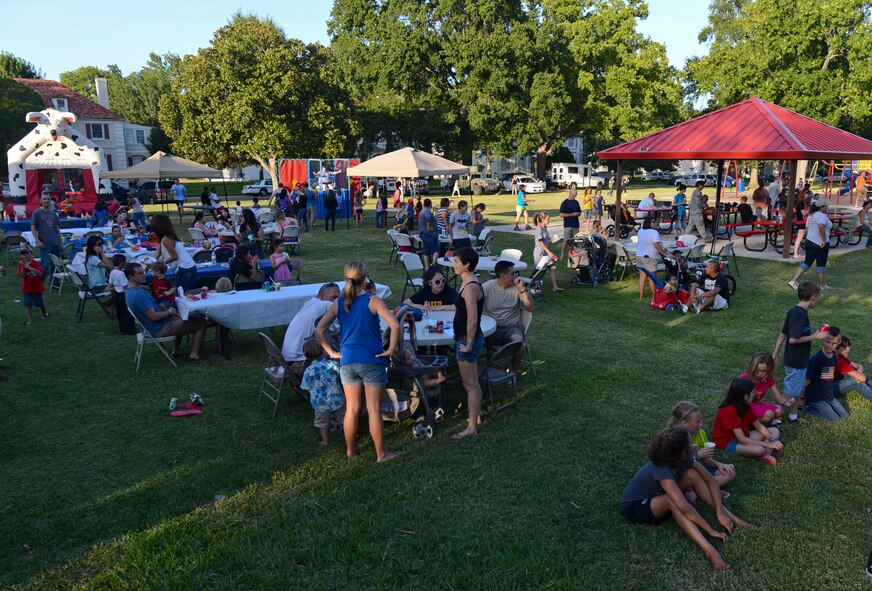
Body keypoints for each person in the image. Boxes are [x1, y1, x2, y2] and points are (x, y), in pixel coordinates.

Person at [620, 426, 749, 573]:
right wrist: (709, 529)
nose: (692, 445)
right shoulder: (661, 468)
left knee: (692, 475)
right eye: (689, 443)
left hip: (657, 497)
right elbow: (683, 506)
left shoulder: (684, 458)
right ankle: (711, 552)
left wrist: (720, 512)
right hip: (636, 507)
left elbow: (710, 481)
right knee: (672, 501)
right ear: (681, 452)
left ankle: (733, 518)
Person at [315, 261, 400, 462]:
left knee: (352, 409)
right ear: (365, 277)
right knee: (373, 409)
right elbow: (395, 325)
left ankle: (350, 452)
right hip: (372, 360)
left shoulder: (339, 303)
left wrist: (331, 352)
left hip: (348, 361)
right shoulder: (373, 300)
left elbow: (320, 329)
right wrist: (390, 349)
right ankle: (381, 454)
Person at [124, 263, 206, 360]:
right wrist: (170, 312)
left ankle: (175, 351)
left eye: (144, 272)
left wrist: (169, 315)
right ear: (131, 277)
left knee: (183, 317)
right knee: (201, 321)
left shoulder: (130, 291)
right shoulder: (138, 295)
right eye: (140, 273)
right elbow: (153, 317)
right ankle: (194, 355)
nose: (144, 274)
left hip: (152, 327)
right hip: (158, 329)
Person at [773, 281, 825, 422]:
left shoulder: (793, 310)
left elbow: (783, 334)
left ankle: (793, 416)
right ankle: (776, 418)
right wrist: (816, 336)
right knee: (790, 392)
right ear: (813, 296)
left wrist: (775, 353)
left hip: (795, 358)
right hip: (796, 360)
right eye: (818, 297)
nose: (818, 300)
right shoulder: (800, 314)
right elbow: (793, 339)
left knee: (796, 389)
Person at [451, 248, 485, 439]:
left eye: (457, 261)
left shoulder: (471, 287)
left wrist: (469, 345)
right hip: (465, 338)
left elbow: (472, 320)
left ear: (467, 265)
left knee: (470, 384)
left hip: (467, 340)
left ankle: (471, 427)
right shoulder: (467, 283)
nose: (454, 264)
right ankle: (476, 417)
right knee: (472, 382)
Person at [712, 378, 784, 466]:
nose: (755, 394)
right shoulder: (729, 410)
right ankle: (763, 451)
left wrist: (773, 439)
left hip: (744, 435)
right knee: (759, 450)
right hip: (728, 442)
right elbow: (742, 439)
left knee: (774, 431)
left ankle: (766, 454)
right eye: (753, 392)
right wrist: (769, 444)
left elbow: (758, 426)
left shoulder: (746, 406)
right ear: (745, 396)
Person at [482, 260, 535, 373]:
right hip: (492, 328)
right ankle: (471, 372)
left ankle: (512, 374)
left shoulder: (517, 287)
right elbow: (472, 302)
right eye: (513, 274)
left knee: (519, 343)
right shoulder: (488, 287)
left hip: (512, 327)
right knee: (470, 339)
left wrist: (523, 289)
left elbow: (530, 308)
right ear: (503, 275)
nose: (516, 276)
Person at [668, 402, 736, 489]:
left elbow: (705, 459)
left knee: (729, 472)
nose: (701, 424)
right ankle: (704, 490)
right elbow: (675, 466)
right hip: (681, 475)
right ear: (684, 422)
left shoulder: (700, 433)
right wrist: (697, 455)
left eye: (701, 420)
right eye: (698, 421)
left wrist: (719, 464)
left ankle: (697, 492)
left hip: (697, 469)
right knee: (692, 476)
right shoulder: (673, 438)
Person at [281, 282, 341, 380]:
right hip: (299, 362)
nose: (336, 300)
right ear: (322, 296)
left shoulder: (310, 302)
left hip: (288, 358)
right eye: (334, 297)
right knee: (344, 358)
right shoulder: (325, 304)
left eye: (339, 297)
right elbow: (339, 308)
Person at [300, 338, 346, 447]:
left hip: (320, 403)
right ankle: (350, 436)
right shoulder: (332, 364)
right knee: (344, 419)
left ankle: (325, 441)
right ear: (322, 350)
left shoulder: (308, 371)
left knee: (322, 423)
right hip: (337, 399)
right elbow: (343, 376)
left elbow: (305, 387)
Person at [803, 327, 848, 422]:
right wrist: (802, 398)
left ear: (839, 342)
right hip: (816, 398)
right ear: (823, 339)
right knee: (836, 420)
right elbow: (807, 381)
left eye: (834, 343)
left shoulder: (834, 357)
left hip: (829, 395)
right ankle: (808, 409)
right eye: (828, 342)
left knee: (846, 416)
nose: (830, 346)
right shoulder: (816, 359)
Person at [788, 199, 832, 290]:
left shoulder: (811, 216)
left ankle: (793, 281)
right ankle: (822, 285)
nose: (827, 207)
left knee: (807, 263)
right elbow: (821, 226)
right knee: (821, 264)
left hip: (809, 241)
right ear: (822, 207)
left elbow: (807, 228)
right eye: (826, 206)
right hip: (820, 244)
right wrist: (823, 240)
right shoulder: (822, 216)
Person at [152, 214, 198, 293]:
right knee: (186, 292)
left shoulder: (165, 239)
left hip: (184, 268)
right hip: (189, 266)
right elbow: (157, 253)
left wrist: (161, 263)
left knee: (180, 294)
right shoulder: (164, 238)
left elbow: (174, 256)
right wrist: (150, 263)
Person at [738, 352, 786, 425]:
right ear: (752, 367)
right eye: (757, 370)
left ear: (769, 370)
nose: (760, 374)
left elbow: (779, 397)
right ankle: (746, 419)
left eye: (763, 371)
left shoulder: (769, 380)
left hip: (756, 405)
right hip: (744, 406)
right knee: (769, 415)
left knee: (780, 411)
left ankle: (775, 424)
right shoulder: (744, 378)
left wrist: (786, 402)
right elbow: (735, 398)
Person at [30, 193, 63, 286]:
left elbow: (56, 228)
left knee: (56, 265)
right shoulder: (36, 213)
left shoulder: (53, 213)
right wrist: (38, 241)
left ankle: (55, 284)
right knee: (44, 265)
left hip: (55, 242)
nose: (46, 200)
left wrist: (61, 242)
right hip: (45, 243)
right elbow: (33, 228)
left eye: (48, 199)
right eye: (44, 199)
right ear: (41, 201)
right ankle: (39, 283)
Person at [635, 217, 670, 300]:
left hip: (639, 256)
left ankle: (641, 296)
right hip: (649, 257)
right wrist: (665, 254)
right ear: (648, 223)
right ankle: (655, 297)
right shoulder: (654, 232)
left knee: (642, 276)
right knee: (652, 278)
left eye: (656, 221)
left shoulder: (640, 231)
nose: (656, 223)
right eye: (653, 222)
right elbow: (657, 246)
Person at [833, 336, 872, 401]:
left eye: (848, 346)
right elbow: (862, 378)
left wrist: (860, 371)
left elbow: (858, 366)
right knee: (855, 380)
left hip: (833, 383)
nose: (848, 349)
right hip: (824, 392)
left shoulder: (838, 356)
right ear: (836, 348)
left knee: (859, 377)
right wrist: (860, 375)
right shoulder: (837, 361)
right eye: (845, 347)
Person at [533, 212, 563, 292]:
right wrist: (549, 252)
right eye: (548, 219)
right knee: (539, 271)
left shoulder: (544, 227)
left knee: (553, 267)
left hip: (545, 252)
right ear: (542, 219)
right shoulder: (538, 229)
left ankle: (555, 287)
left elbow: (545, 238)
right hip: (540, 253)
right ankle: (533, 286)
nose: (549, 220)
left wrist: (553, 238)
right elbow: (540, 242)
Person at [18, 247, 47, 325]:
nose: (25, 255)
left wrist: (31, 268)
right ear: (21, 256)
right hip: (27, 288)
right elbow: (22, 276)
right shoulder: (21, 264)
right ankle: (30, 320)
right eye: (23, 254)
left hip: (37, 287)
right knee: (27, 304)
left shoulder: (35, 263)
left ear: (31, 254)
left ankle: (44, 313)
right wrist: (24, 267)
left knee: (39, 303)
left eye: (27, 253)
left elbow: (41, 274)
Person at [108, 253, 134, 334]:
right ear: (121, 263)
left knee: (120, 313)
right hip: (123, 295)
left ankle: (122, 328)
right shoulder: (121, 274)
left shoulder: (112, 272)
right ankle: (129, 330)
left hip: (117, 295)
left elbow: (111, 283)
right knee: (127, 313)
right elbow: (125, 286)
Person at [559, 184, 581, 259]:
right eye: (573, 195)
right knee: (566, 240)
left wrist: (577, 214)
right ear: (570, 194)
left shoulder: (576, 202)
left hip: (575, 224)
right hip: (568, 225)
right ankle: (562, 254)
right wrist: (572, 214)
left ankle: (572, 254)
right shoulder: (564, 203)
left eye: (575, 195)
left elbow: (579, 212)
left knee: (575, 241)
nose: (574, 197)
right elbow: (561, 214)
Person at [417, 198, 440, 270]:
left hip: (423, 233)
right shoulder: (427, 211)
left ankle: (427, 267)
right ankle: (433, 265)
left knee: (426, 250)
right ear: (430, 204)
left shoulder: (422, 211)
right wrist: (429, 227)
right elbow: (428, 218)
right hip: (428, 234)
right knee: (436, 249)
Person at [791, 190, 808, 259]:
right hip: (801, 222)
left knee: (802, 237)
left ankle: (797, 253)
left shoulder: (801, 202)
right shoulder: (800, 203)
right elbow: (804, 213)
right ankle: (795, 254)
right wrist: (810, 209)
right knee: (799, 238)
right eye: (806, 194)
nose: (807, 196)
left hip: (802, 221)